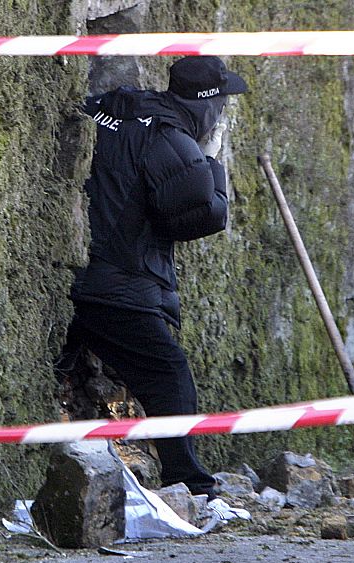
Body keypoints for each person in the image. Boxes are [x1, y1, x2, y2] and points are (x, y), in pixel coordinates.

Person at [55, 56, 247, 500]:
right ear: (207, 105)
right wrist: (210, 162)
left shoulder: (117, 107)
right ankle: (190, 484)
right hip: (117, 284)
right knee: (168, 374)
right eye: (221, 104)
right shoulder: (170, 139)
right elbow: (199, 216)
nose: (221, 113)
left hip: (82, 275)